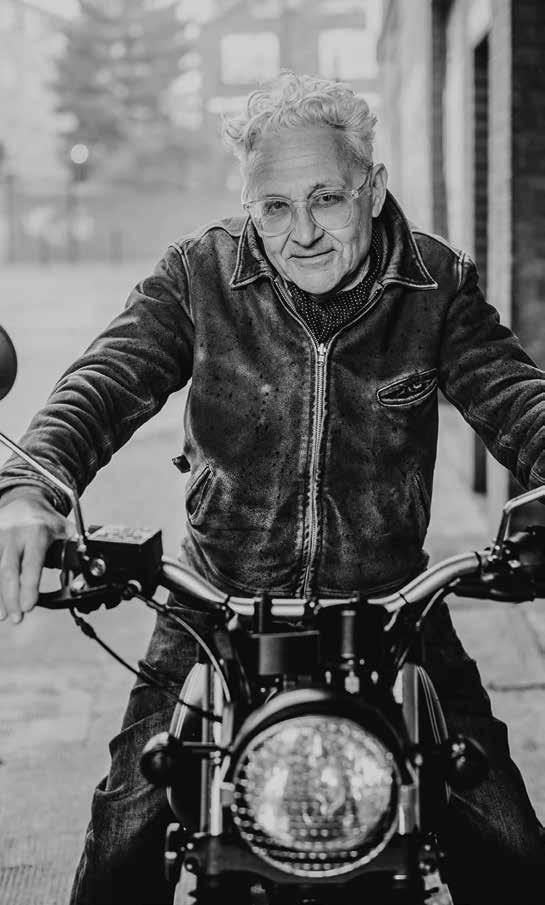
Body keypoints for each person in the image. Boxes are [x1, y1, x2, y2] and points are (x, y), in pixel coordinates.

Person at [0, 71, 543, 904]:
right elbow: (101, 385)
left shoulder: (435, 283)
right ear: (249, 205)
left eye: (326, 198)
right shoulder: (199, 274)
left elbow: (517, 399)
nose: (303, 231)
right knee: (123, 837)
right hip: (214, 607)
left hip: (390, 612)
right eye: (275, 206)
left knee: (508, 842)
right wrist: (29, 489)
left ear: (372, 188)